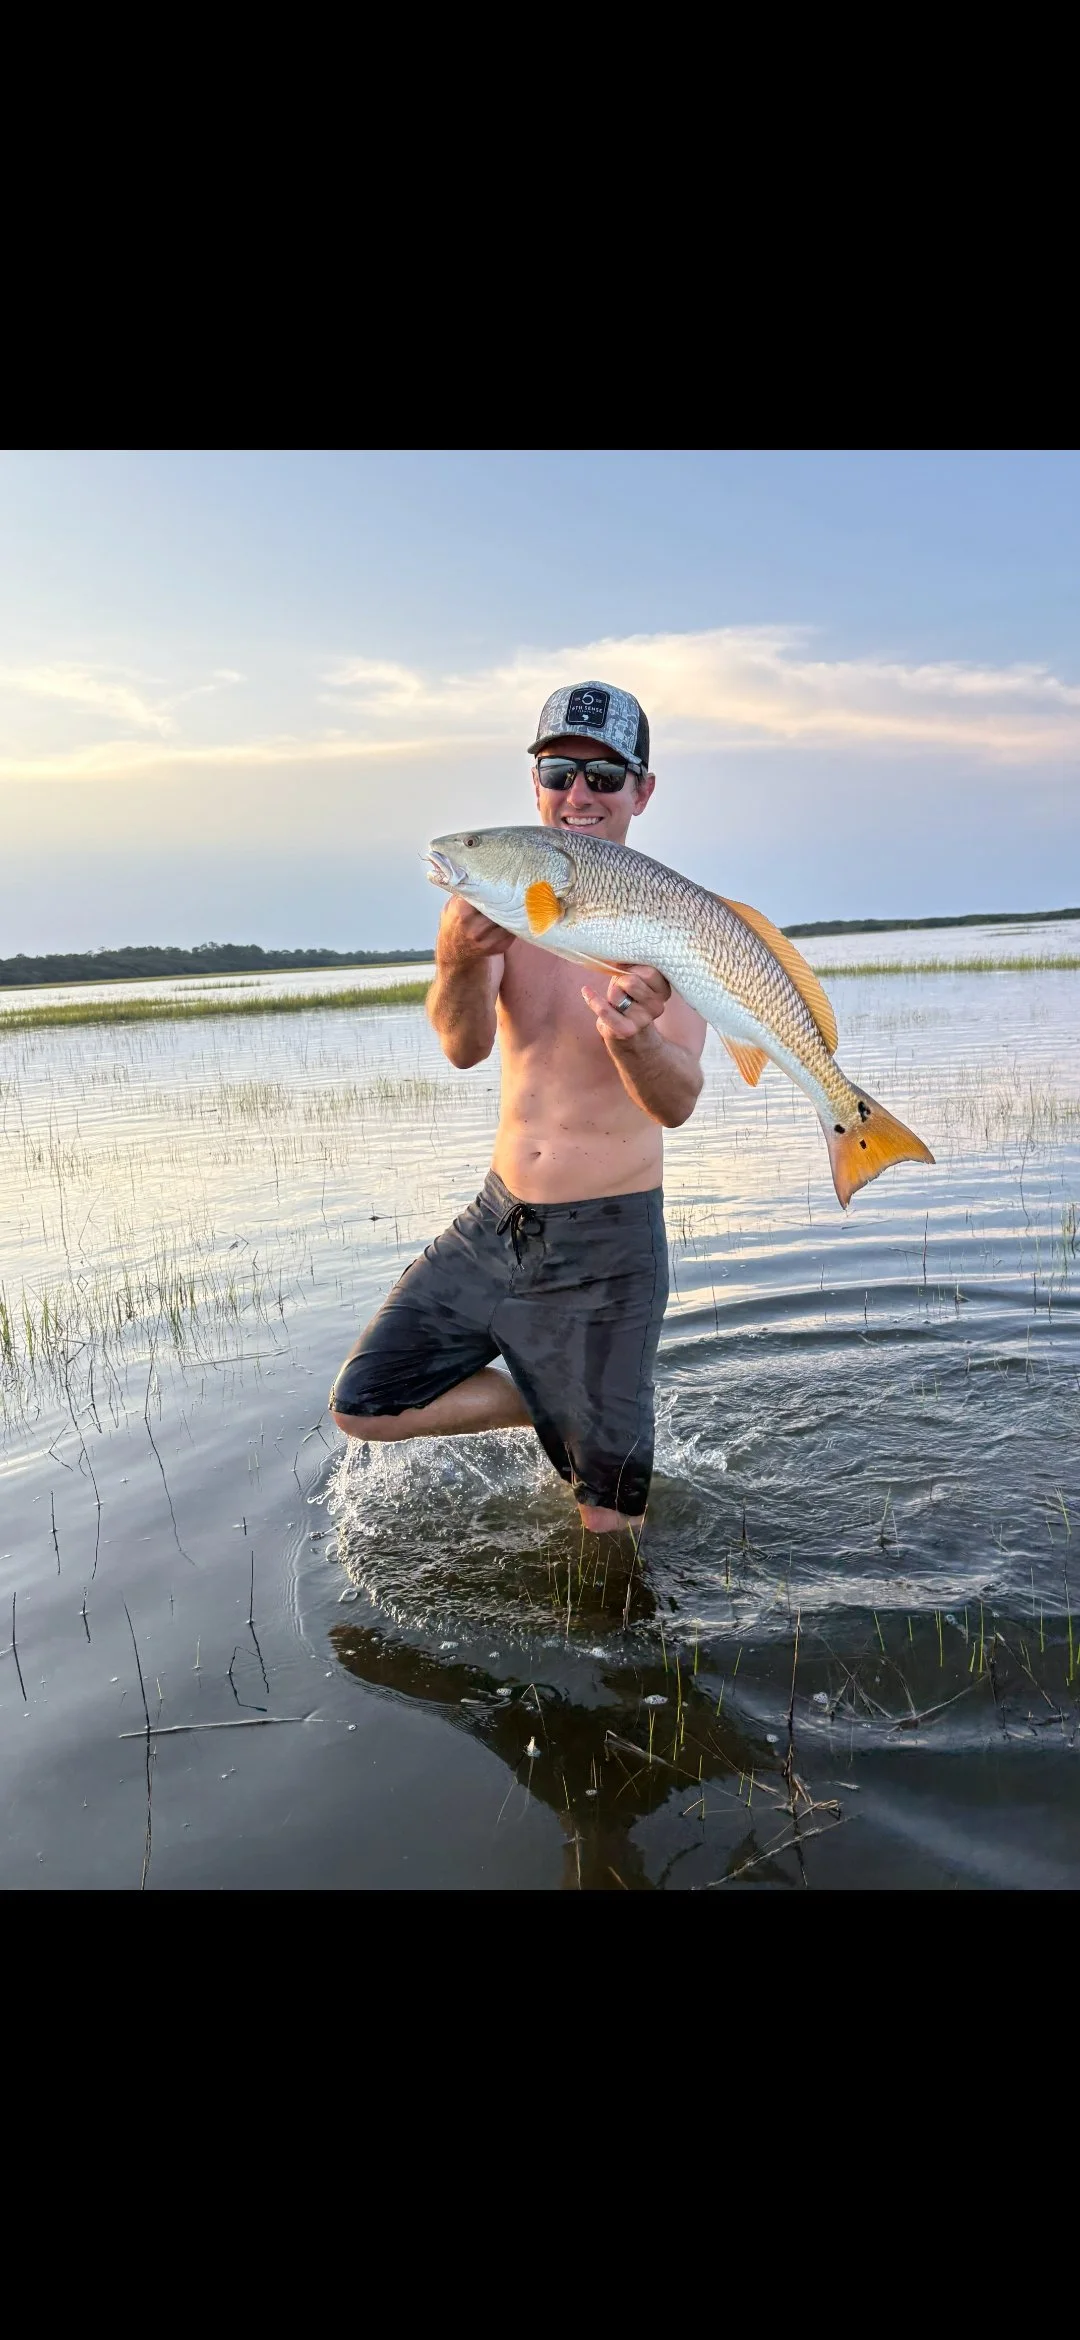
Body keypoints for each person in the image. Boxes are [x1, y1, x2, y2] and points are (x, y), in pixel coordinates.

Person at [329, 681, 707, 1532]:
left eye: (605, 778)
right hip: (497, 1224)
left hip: (610, 1244)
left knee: (608, 1531)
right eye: (561, 771)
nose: (579, 795)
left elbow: (678, 1100)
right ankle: (552, 1406)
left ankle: (622, 1625)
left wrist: (635, 1040)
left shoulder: (672, 918)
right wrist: (458, 962)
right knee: (365, 1402)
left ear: (642, 793)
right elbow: (463, 1046)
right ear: (534, 782)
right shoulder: (497, 901)